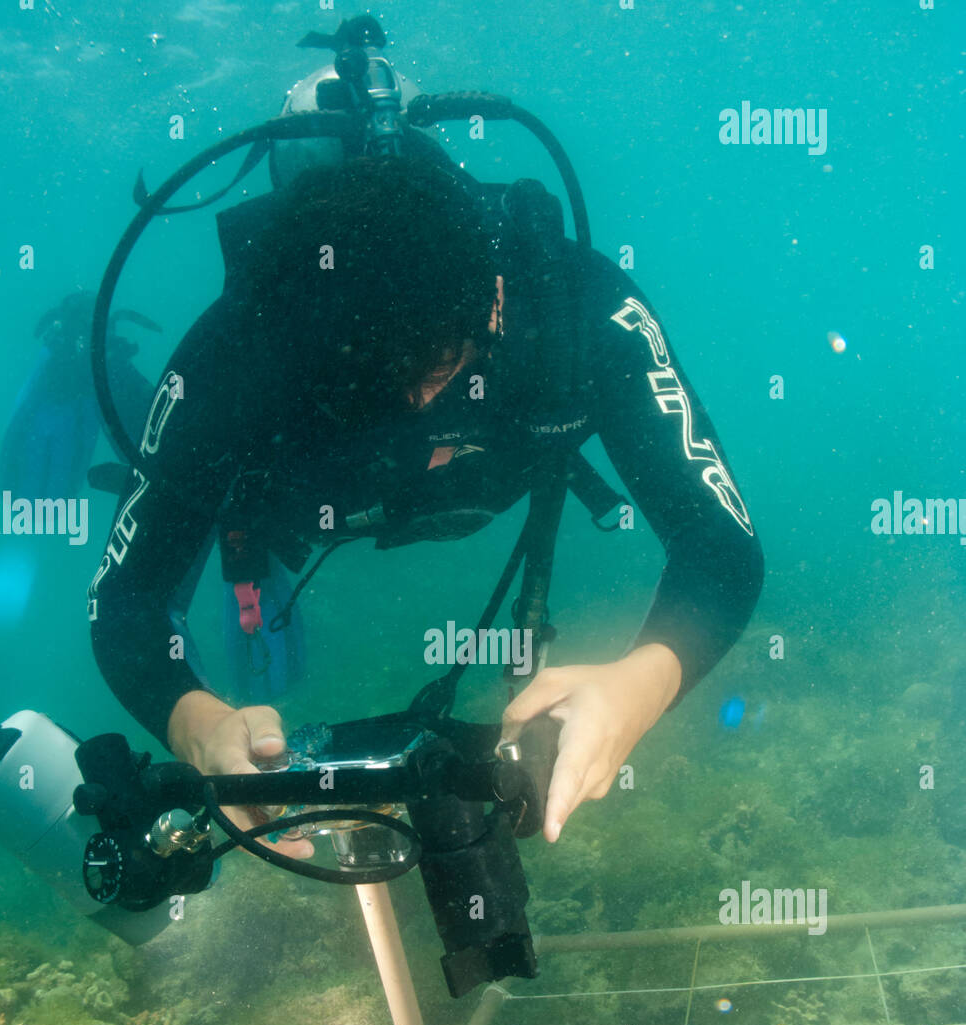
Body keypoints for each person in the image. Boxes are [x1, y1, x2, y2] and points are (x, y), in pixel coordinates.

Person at [87, 154, 764, 857]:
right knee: (175, 460)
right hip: (281, 504)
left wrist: (642, 681)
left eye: (439, 372)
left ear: (496, 301)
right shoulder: (237, 351)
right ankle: (94, 362)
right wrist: (195, 723)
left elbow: (718, 545)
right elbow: (127, 598)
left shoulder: (580, 309)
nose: (421, 439)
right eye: (364, 395)